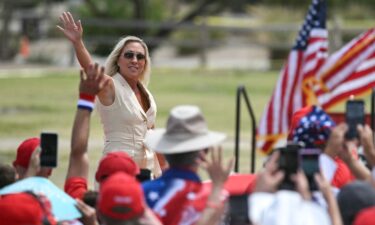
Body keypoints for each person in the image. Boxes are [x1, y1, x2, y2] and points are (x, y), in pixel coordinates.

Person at [58, 11, 164, 177]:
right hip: (117, 168)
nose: (134, 60)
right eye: (129, 55)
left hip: (148, 171)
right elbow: (91, 69)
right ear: (118, 60)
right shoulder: (110, 85)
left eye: (140, 56)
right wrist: (78, 42)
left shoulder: (146, 93)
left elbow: (153, 135)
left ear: (145, 63)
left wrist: (166, 172)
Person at [142, 105, 233, 225]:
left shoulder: (141, 192)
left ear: (164, 150)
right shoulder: (214, 198)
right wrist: (217, 186)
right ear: (204, 153)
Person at [64, 63, 140, 200]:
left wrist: (86, 98)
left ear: (99, 178)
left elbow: (78, 154)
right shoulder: (149, 211)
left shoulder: (81, 204)